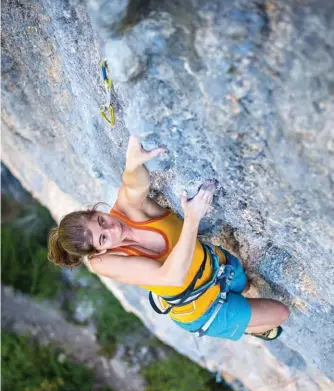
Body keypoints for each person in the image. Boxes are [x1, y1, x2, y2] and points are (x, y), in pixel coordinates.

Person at [48, 136, 289, 341]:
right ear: (99, 251)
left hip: (219, 266)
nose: (112, 229)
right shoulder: (106, 263)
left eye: (101, 220)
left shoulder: (126, 211)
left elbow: (133, 186)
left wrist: (133, 165)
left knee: (246, 286)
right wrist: (192, 218)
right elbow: (171, 278)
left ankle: (244, 303)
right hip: (203, 310)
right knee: (280, 314)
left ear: (96, 210)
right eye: (103, 239)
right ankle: (249, 329)